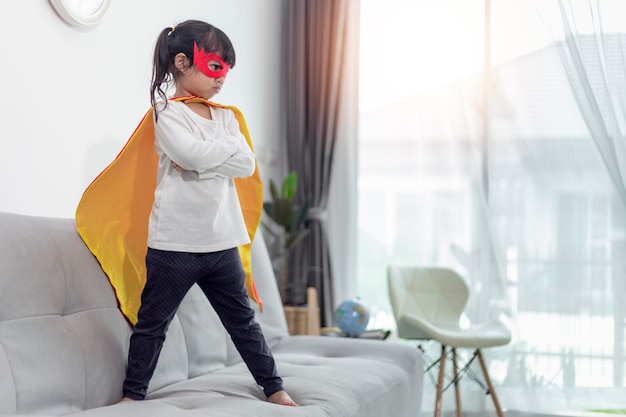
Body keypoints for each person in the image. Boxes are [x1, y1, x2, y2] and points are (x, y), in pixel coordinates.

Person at [120, 20, 298, 407]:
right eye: (216, 67)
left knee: (244, 325)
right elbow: (188, 155)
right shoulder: (166, 112)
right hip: (173, 244)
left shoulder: (227, 117)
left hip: (221, 244)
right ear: (182, 62)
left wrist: (203, 161)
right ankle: (132, 397)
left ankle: (275, 388)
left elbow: (247, 164)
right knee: (152, 326)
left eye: (227, 71)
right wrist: (216, 157)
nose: (222, 80)